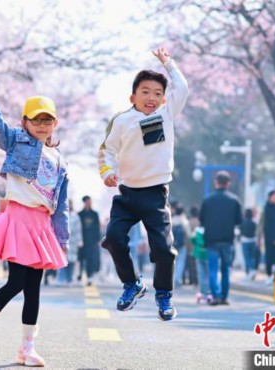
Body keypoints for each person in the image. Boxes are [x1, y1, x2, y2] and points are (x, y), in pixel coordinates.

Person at [0, 61, 68, 366]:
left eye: (48, 120)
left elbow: (62, 206)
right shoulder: (17, 141)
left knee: (34, 287)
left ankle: (27, 347)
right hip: (19, 219)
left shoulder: (60, 160)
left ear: (55, 124)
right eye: (37, 120)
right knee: (17, 282)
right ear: (25, 122)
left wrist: (62, 239)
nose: (43, 125)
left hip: (42, 224)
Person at [98, 46, 188, 321]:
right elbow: (106, 151)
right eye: (146, 92)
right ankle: (132, 284)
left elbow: (181, 89)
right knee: (112, 238)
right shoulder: (122, 120)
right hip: (126, 194)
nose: (152, 98)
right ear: (133, 96)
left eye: (158, 94)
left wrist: (168, 63)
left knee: (163, 249)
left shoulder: (166, 115)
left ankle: (164, 295)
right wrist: (108, 173)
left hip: (155, 194)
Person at [199, 171, 242, 306]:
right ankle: (224, 297)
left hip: (211, 239)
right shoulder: (234, 200)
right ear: (228, 184)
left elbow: (201, 219)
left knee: (212, 269)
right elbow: (239, 220)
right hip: (227, 240)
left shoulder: (207, 200)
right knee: (225, 269)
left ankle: (216, 296)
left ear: (216, 182)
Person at [57, 199, 81, 286]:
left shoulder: (76, 216)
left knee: (71, 262)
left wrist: (80, 242)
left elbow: (79, 230)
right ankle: (60, 279)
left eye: (69, 204)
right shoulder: (60, 214)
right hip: (62, 241)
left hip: (73, 242)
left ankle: (69, 280)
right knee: (62, 261)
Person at [78, 195, 101, 286]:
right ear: (84, 202)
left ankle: (90, 276)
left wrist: (98, 240)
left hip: (92, 241)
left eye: (90, 202)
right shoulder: (80, 214)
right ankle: (80, 275)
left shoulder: (95, 214)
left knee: (91, 259)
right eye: (87, 202)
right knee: (81, 258)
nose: (89, 203)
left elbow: (97, 228)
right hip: (82, 241)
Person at [171, 204, 191, 287]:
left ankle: (171, 279)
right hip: (182, 245)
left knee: (172, 262)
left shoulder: (171, 220)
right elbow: (189, 234)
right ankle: (177, 280)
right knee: (180, 262)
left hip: (173, 244)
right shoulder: (184, 221)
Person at [240, 209, 258, 280]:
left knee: (246, 257)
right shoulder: (254, 223)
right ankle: (253, 270)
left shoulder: (243, 223)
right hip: (253, 241)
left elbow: (241, 231)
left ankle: (248, 271)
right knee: (252, 257)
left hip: (245, 241)